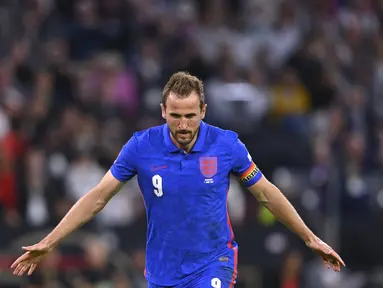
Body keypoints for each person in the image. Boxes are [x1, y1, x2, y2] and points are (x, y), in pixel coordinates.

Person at [11, 72, 345, 287]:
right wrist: (50, 241)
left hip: (214, 262)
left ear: (203, 111)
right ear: (162, 112)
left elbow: (267, 194)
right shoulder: (141, 147)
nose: (183, 125)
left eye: (189, 116)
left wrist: (309, 238)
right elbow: (98, 197)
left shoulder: (227, 145)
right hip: (162, 272)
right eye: (175, 116)